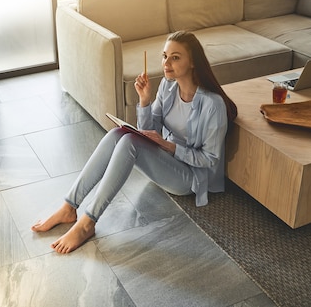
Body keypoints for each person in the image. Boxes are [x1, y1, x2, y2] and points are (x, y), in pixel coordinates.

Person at [31, 31, 238, 254]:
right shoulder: (169, 87)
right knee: (117, 134)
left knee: (130, 142)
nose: (166, 63)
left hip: (191, 178)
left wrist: (169, 146)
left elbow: (210, 160)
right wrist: (145, 100)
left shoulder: (212, 104)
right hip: (167, 161)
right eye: (164, 56)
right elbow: (151, 131)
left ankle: (88, 223)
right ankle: (68, 206)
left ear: (193, 63)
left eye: (175, 57)